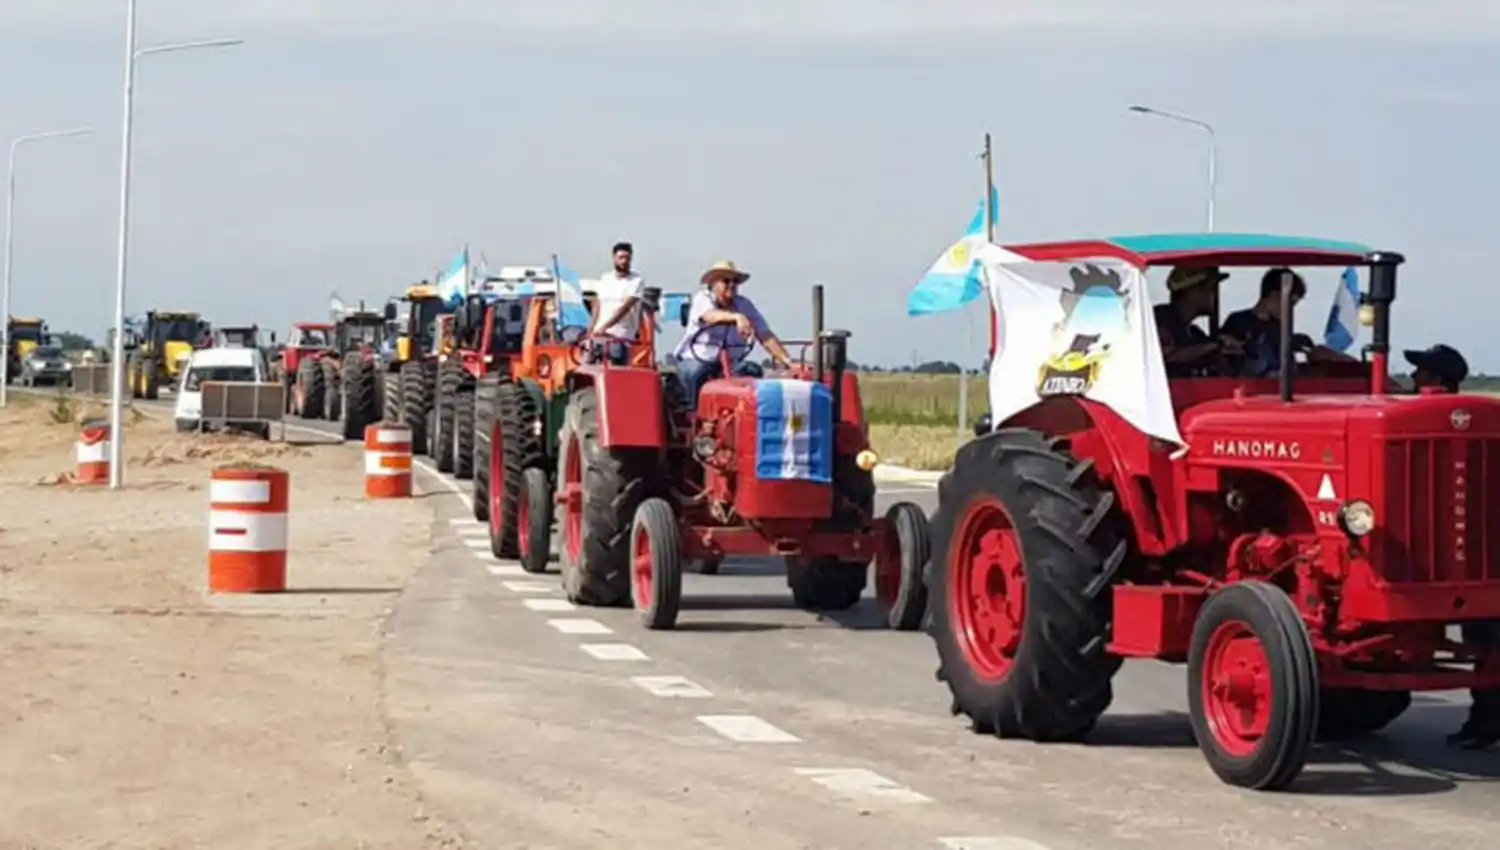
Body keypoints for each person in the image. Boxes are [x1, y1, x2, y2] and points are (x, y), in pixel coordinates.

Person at [1403, 343, 1500, 748]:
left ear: (1436, 381)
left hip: (1457, 551)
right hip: (1475, 551)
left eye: (1420, 372)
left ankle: (1486, 722)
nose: (1412, 380)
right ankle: (1487, 720)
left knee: (1484, 638)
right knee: (1486, 636)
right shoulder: (1479, 418)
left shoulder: (1434, 421)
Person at [671, 260, 794, 408]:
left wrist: (788, 361)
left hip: (730, 362)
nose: (732, 285)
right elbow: (710, 316)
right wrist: (737, 317)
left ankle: (750, 414)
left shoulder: (744, 305)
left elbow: (765, 335)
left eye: (735, 281)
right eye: (726, 280)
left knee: (752, 371)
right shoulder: (703, 299)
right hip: (698, 359)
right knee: (697, 373)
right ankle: (695, 416)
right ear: (713, 284)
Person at [1219, 268, 1355, 376]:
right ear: (1274, 296)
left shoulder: (1281, 329)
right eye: (1290, 304)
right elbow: (1226, 356)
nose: (1290, 311)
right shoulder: (1238, 322)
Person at [1154, 266, 1242, 377]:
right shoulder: (1161, 319)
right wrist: (1215, 346)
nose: (1214, 296)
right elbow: (1164, 355)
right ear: (1192, 292)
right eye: (1210, 289)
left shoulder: (1195, 334)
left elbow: (1229, 374)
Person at [590, 241, 645, 365]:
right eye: (621, 258)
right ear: (614, 258)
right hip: (599, 335)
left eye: (627, 258)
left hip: (621, 336)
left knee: (616, 364)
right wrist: (592, 328)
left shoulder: (636, 281)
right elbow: (597, 304)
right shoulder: (605, 278)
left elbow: (625, 308)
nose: (624, 261)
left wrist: (606, 327)